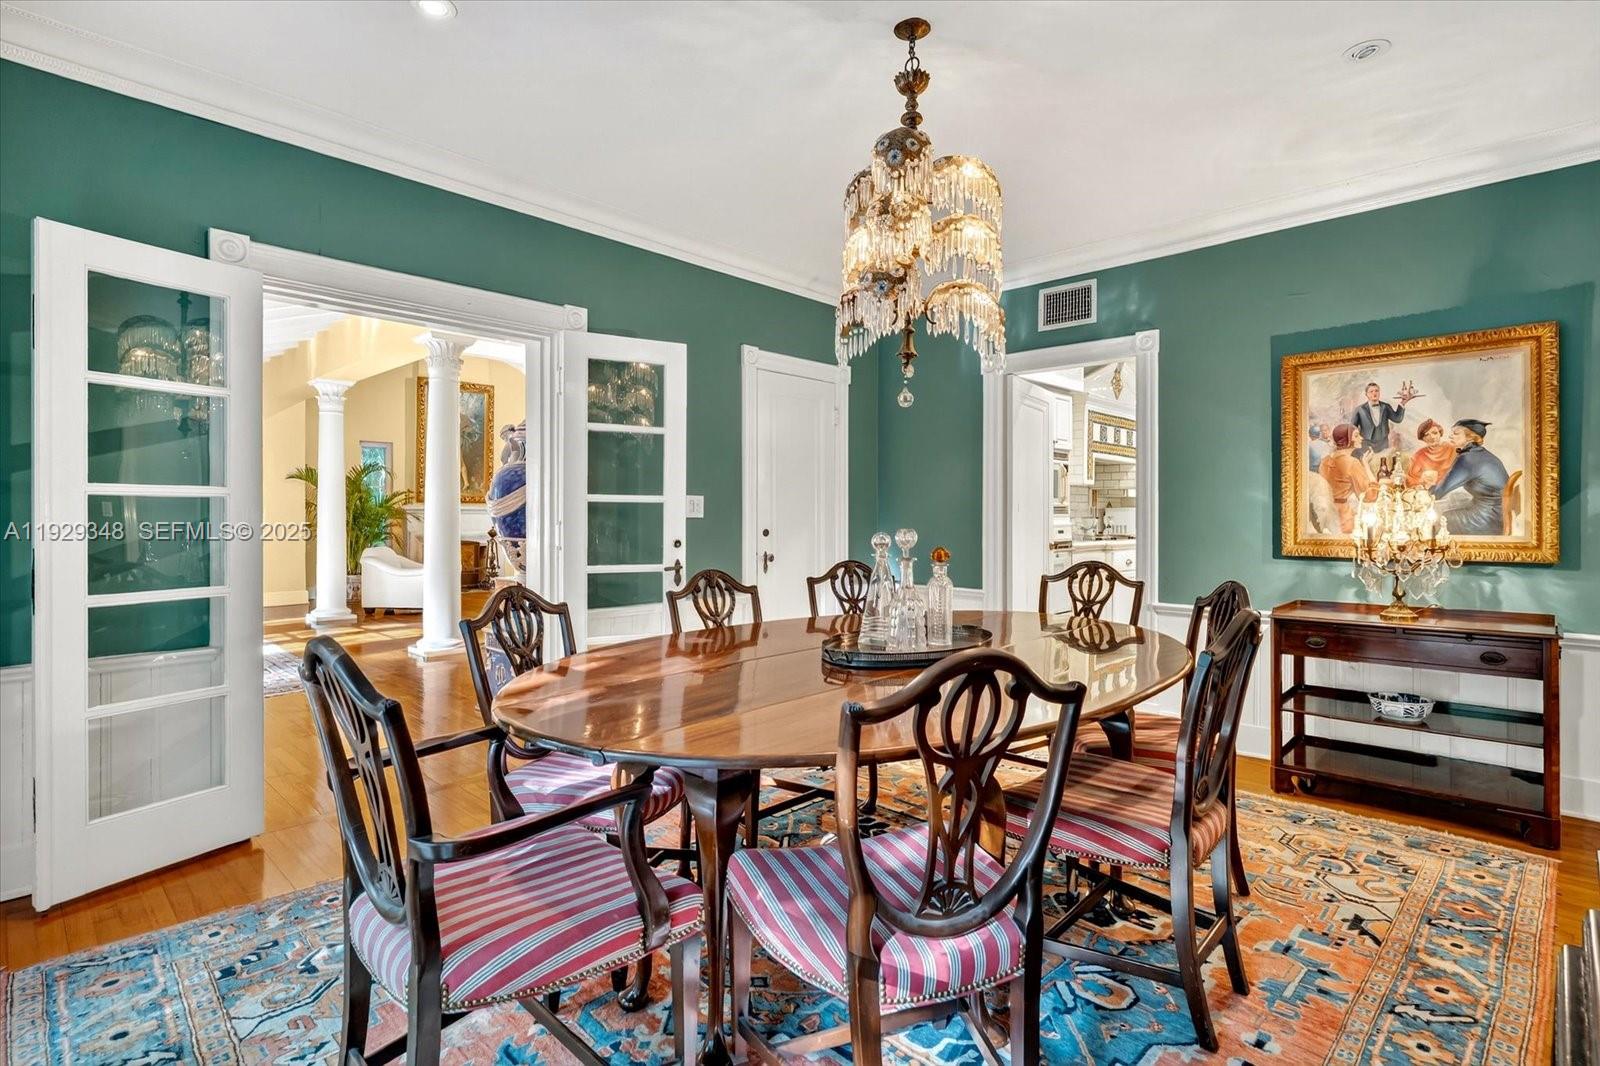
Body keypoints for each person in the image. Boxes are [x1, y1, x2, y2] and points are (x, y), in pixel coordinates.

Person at [1431, 419, 1510, 535]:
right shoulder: (1481, 453)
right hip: (1498, 514)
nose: (1450, 436)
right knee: (1454, 500)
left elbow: (1438, 493)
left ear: (1470, 437)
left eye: (1456, 433)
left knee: (1439, 518)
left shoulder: (1468, 458)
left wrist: (1418, 493)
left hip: (1488, 519)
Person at [1319, 424, 1373, 534]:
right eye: (1356, 436)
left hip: (1326, 515)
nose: (1361, 438)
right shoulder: (1352, 462)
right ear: (1346, 440)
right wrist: (1366, 465)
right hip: (1343, 517)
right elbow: (1369, 496)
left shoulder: (1324, 461)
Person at [1350, 380, 1418, 459]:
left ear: (1379, 392)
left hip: (1383, 443)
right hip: (1366, 443)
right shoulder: (1359, 409)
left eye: (1376, 391)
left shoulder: (1385, 406)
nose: (1374, 393)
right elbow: (1352, 428)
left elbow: (1397, 419)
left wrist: (1403, 403)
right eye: (1371, 391)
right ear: (1366, 394)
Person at [1405, 418, 1457, 489]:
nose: (1432, 437)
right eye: (1426, 435)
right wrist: (1421, 481)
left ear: (1440, 433)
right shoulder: (1419, 455)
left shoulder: (1452, 449)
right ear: (1423, 438)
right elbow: (1409, 479)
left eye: (1435, 433)